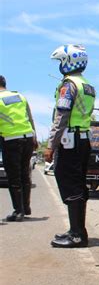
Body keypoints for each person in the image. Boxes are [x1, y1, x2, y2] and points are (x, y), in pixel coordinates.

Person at [44, 45, 96, 248]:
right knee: (78, 183)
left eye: (60, 61)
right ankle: (77, 230)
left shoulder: (69, 85)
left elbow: (62, 117)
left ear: (68, 62)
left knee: (69, 182)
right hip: (83, 140)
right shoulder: (87, 85)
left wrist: (50, 145)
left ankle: (77, 235)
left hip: (70, 141)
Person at [0, 75, 38, 221]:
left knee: (14, 176)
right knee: (24, 174)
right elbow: (30, 117)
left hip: (11, 140)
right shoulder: (19, 96)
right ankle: (26, 207)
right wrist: (34, 136)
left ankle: (18, 211)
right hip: (27, 137)